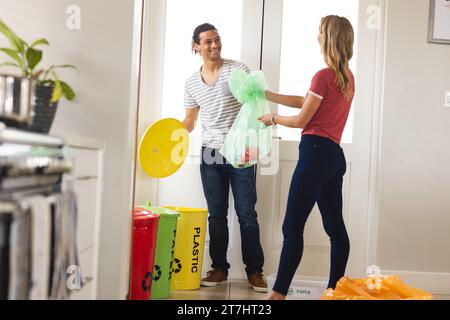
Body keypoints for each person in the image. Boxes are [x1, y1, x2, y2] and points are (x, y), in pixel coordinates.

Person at [257, 15, 355, 300]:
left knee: (291, 227)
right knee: (335, 228)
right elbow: (307, 102)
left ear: (329, 38)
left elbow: (302, 119)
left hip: (314, 154)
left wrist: (272, 118)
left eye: (321, 32)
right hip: (334, 158)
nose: (317, 37)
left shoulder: (323, 75)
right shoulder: (347, 77)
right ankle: (335, 291)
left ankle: (277, 295)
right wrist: (269, 94)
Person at [182, 23, 267, 292]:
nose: (215, 45)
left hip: (240, 151)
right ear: (196, 46)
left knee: (246, 214)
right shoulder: (191, 83)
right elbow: (190, 120)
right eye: (208, 42)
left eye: (217, 40)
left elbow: (253, 104)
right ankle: (219, 268)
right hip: (210, 153)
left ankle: (255, 271)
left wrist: (254, 141)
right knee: (216, 215)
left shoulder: (237, 70)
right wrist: (170, 132)